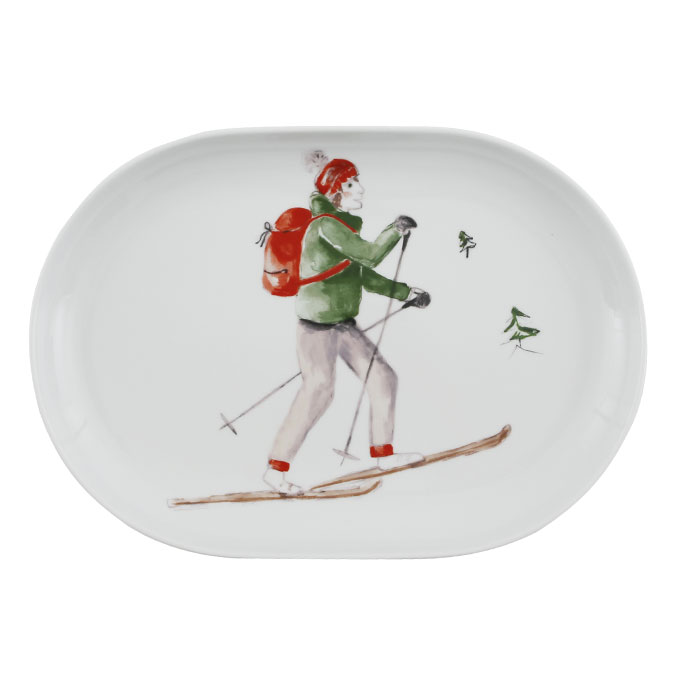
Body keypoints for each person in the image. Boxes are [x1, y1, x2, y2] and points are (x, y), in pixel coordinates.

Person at [263, 154, 430, 495]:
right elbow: (370, 255)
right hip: (316, 328)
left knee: (382, 377)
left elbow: (362, 274)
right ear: (335, 193)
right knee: (319, 391)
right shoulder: (326, 226)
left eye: (357, 181)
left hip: (343, 325)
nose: (360, 189)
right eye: (351, 184)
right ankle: (275, 470)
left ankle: (384, 455)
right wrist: (395, 230)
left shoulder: (343, 228)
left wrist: (406, 293)